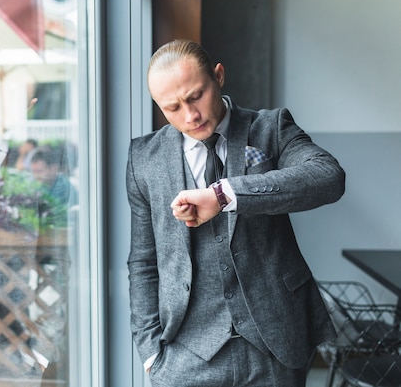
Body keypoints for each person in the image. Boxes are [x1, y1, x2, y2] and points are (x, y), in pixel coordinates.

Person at [126, 39, 345, 387]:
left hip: (275, 347)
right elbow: (143, 261)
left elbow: (328, 177)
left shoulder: (270, 129)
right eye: (172, 108)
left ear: (219, 76)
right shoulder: (144, 159)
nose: (190, 116)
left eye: (196, 96)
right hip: (185, 354)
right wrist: (150, 351)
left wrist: (225, 194)